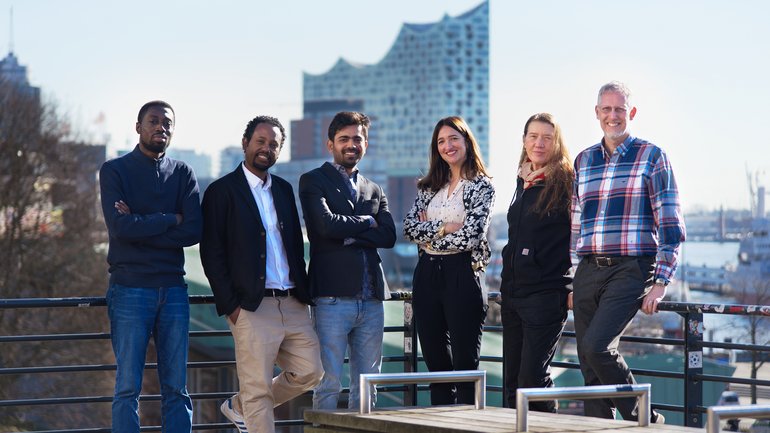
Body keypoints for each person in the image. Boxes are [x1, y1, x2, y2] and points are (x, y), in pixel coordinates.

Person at [571, 81, 685, 423]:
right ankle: (598, 428)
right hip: (588, 270)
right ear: (596, 113)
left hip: (631, 269)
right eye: (606, 109)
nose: (613, 116)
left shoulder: (652, 157)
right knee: (588, 366)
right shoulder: (583, 160)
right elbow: (575, 225)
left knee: (597, 348)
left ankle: (646, 419)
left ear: (630, 113)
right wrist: (569, 278)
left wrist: (661, 282)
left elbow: (670, 224)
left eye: (619, 109)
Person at [200, 115, 323, 433]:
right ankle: (250, 405)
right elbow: (211, 253)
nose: (266, 148)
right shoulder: (221, 191)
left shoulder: (283, 189)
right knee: (257, 390)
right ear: (245, 143)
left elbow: (295, 244)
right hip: (251, 307)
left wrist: (304, 292)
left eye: (274, 144)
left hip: (293, 302)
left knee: (311, 372)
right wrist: (232, 306)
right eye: (260, 141)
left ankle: (239, 406)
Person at [99, 100, 201, 433]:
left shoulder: (183, 173)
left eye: (167, 123)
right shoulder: (115, 170)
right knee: (127, 387)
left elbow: (194, 231)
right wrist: (170, 219)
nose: (161, 127)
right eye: (154, 121)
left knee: (177, 389)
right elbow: (120, 229)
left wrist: (141, 226)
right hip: (130, 287)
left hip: (173, 289)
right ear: (139, 127)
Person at [299, 111, 396, 410]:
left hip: (372, 299)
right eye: (344, 139)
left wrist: (350, 232)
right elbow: (324, 226)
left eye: (357, 139)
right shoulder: (312, 180)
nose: (351, 144)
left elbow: (389, 236)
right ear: (330, 144)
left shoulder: (374, 188)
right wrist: (368, 221)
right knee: (328, 383)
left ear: (366, 144)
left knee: (368, 387)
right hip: (331, 298)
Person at [403, 116, 495, 405]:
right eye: (441, 141)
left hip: (462, 273)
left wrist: (428, 234)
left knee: (465, 361)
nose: (448, 146)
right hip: (427, 275)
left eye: (454, 138)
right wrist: (444, 227)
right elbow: (408, 228)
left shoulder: (482, 186)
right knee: (435, 360)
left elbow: (471, 236)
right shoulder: (429, 186)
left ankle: (468, 423)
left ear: (467, 141)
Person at [500, 113, 572, 412]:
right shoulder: (523, 180)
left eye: (546, 137)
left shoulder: (566, 181)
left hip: (546, 293)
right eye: (533, 136)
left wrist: (574, 285)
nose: (539, 143)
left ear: (556, 143)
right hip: (513, 294)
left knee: (533, 378)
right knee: (512, 382)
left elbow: (579, 237)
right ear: (524, 140)